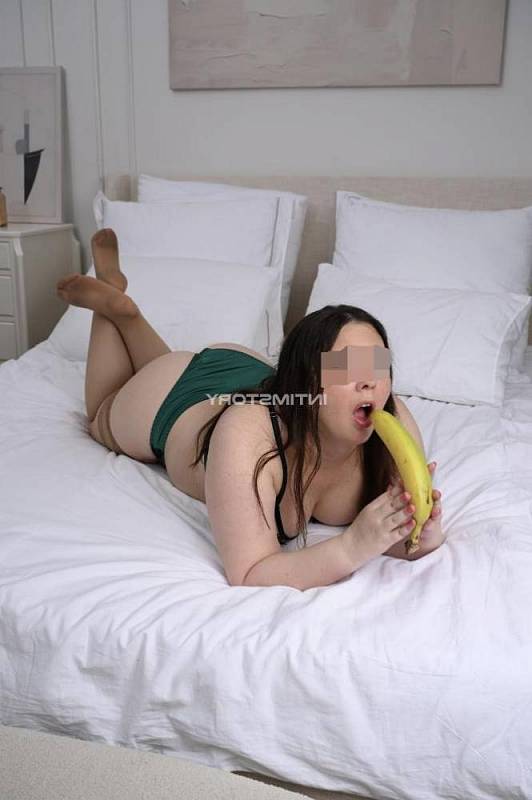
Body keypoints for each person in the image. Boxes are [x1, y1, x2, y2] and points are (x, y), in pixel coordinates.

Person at [56, 229, 444, 592]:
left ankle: (130, 316)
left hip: (249, 373)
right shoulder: (249, 434)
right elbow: (249, 572)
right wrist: (350, 546)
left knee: (161, 366)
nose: (369, 383)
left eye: (377, 367)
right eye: (347, 368)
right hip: (180, 401)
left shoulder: (394, 424)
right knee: (101, 413)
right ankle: (112, 301)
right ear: (306, 382)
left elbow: (401, 539)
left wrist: (423, 535)